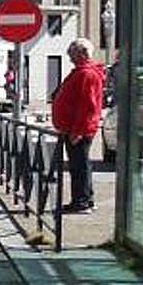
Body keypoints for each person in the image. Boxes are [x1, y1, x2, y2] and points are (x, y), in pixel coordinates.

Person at [51, 38, 105, 214]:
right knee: (80, 165)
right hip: (74, 127)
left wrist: (78, 131)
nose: (69, 57)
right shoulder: (82, 73)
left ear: (82, 53)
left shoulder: (87, 74)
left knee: (79, 166)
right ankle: (83, 199)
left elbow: (87, 106)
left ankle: (82, 202)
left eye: (72, 53)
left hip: (78, 129)